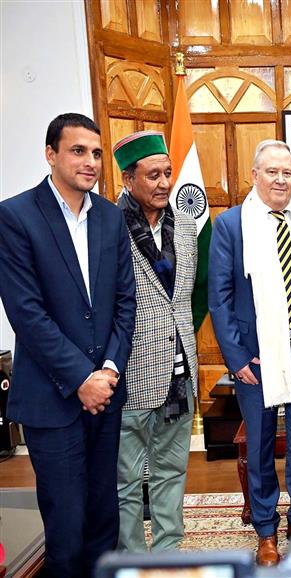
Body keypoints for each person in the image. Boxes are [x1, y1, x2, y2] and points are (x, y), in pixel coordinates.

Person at [0, 113, 136, 577]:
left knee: (104, 520)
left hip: (106, 397)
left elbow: (125, 302)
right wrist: (82, 379)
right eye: (78, 151)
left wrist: (110, 370)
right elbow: (27, 314)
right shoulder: (15, 216)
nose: (90, 161)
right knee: (66, 529)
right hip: (52, 400)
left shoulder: (111, 218)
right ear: (50, 154)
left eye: (96, 153)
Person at [208, 139, 291, 566]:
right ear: (254, 176)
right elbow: (219, 297)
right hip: (256, 358)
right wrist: (236, 358)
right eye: (272, 172)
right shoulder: (231, 225)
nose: (281, 180)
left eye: (287, 172)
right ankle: (265, 530)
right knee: (259, 445)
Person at [112, 131, 198, 552]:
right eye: (153, 175)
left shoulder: (185, 226)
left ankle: (167, 556)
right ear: (128, 179)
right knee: (126, 480)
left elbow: (186, 299)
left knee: (171, 471)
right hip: (131, 373)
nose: (165, 183)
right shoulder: (107, 228)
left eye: (168, 173)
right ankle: (131, 561)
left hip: (180, 373)